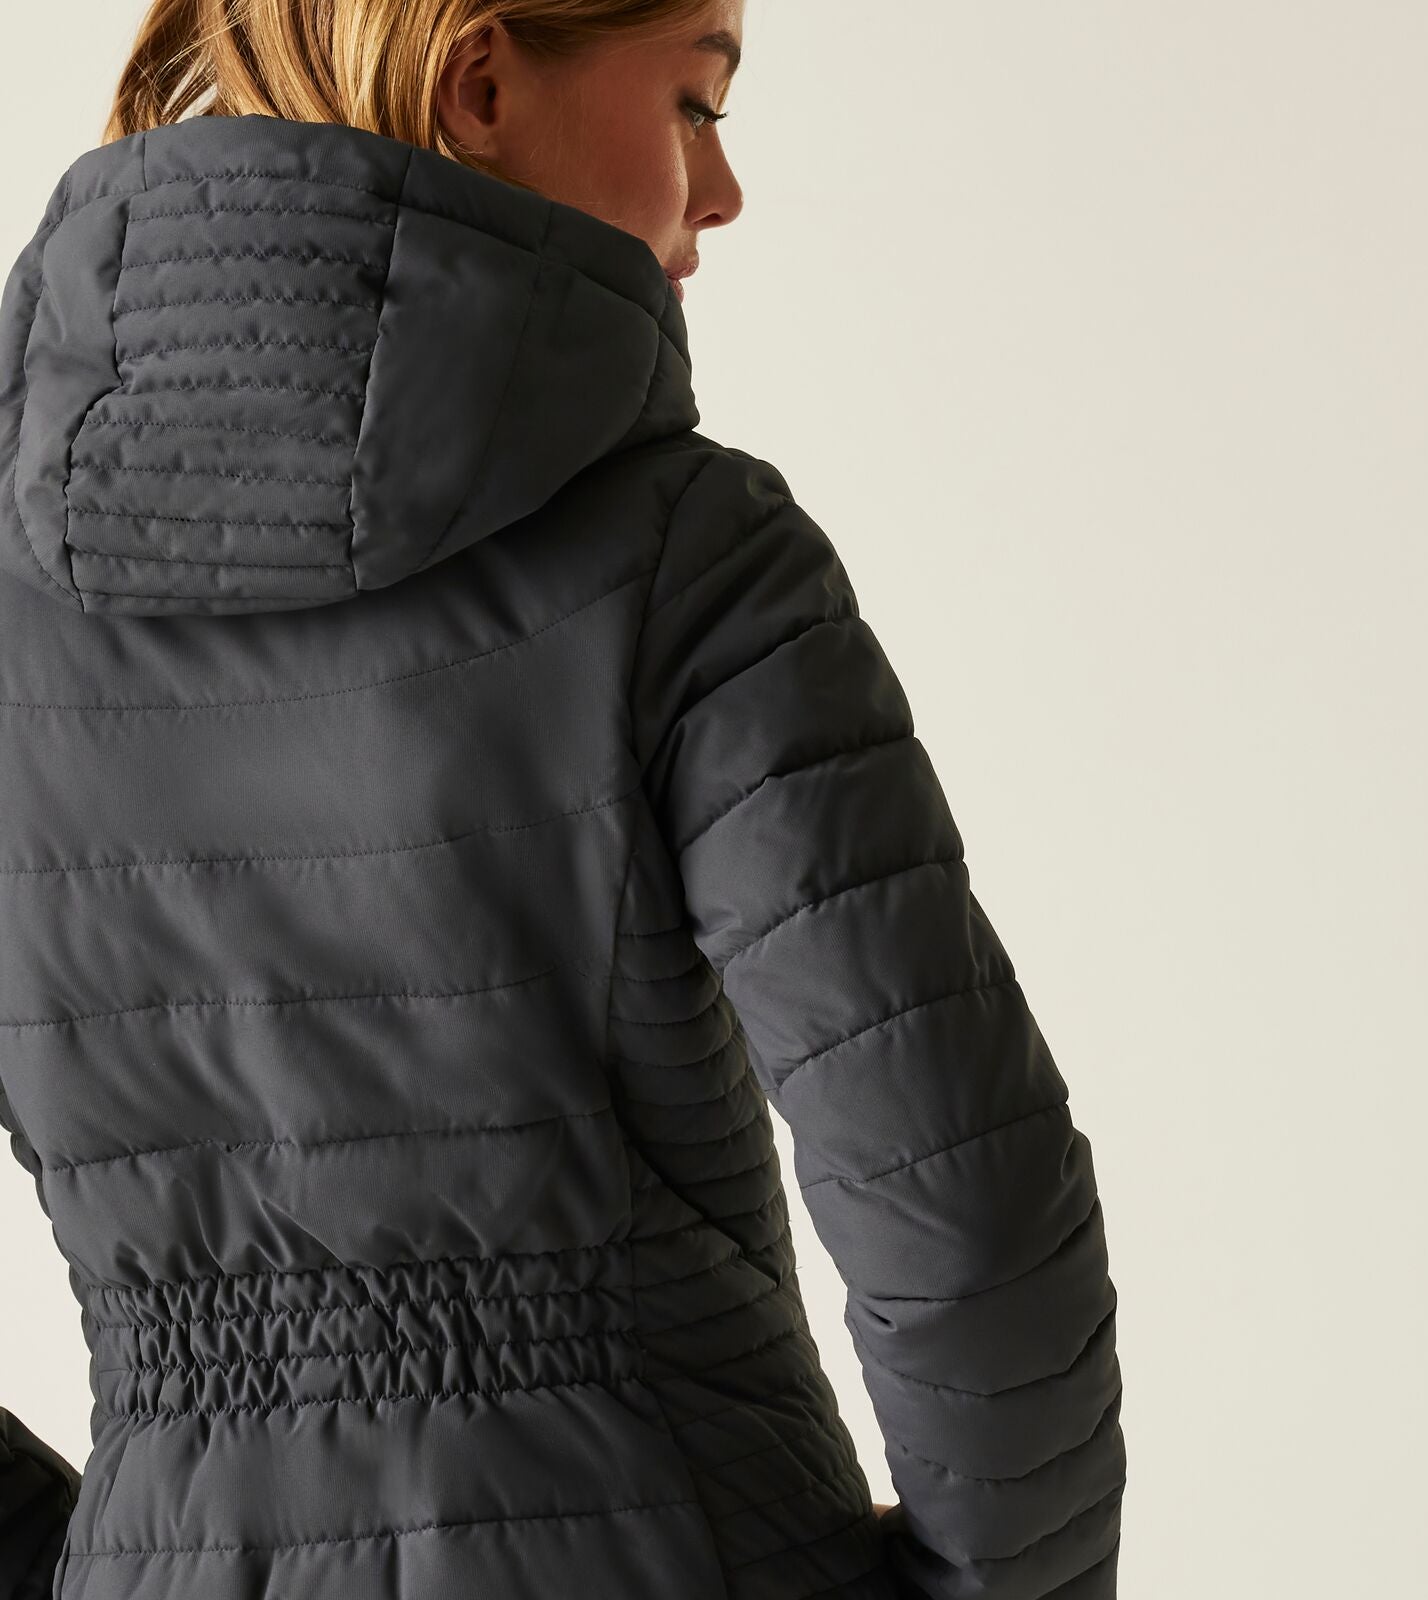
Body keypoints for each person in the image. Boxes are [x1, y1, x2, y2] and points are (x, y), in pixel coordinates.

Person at [0, 2, 1126, 1596]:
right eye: (695, 102)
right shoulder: (693, 560)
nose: (720, 191)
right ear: (479, 82)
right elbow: (965, 1212)